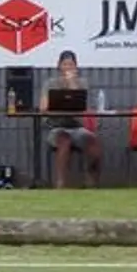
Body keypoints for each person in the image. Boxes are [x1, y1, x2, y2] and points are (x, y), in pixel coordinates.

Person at [42, 49, 100, 189]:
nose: (68, 68)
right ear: (59, 66)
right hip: (56, 127)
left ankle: (91, 181)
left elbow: (82, 106)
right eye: (65, 64)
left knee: (93, 141)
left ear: (76, 67)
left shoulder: (82, 83)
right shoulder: (50, 84)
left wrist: (72, 83)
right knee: (64, 140)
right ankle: (61, 183)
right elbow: (43, 108)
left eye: (71, 65)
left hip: (77, 127)